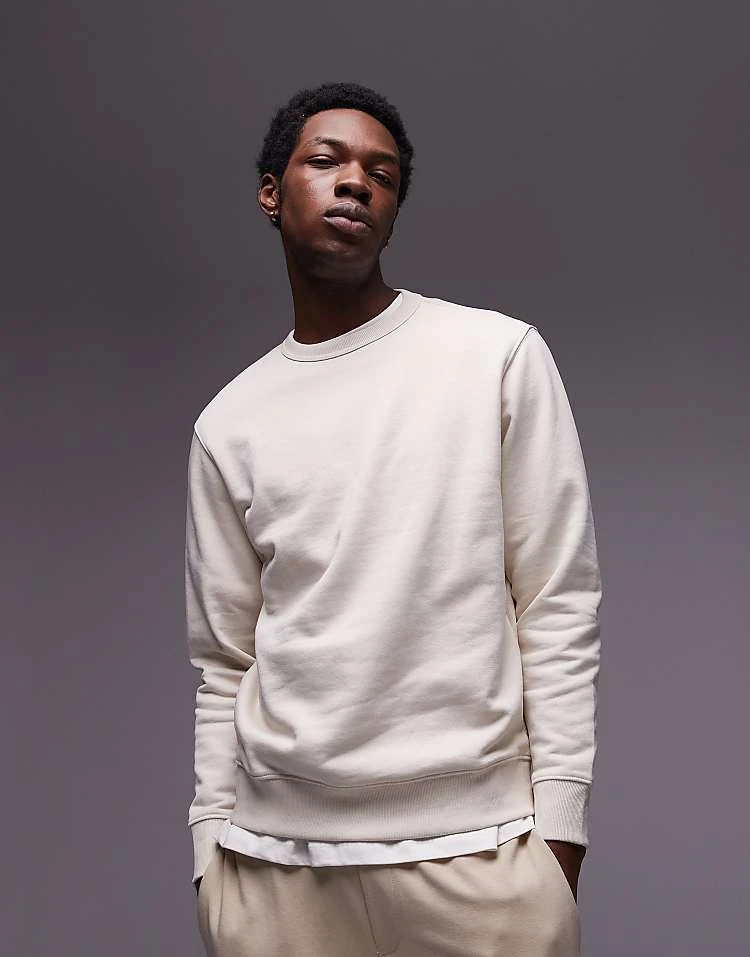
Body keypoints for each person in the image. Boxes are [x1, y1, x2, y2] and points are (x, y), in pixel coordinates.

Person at [184, 80, 602, 957]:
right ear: (271, 192)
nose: (355, 182)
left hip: (482, 857)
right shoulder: (229, 422)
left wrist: (560, 836)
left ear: (393, 212)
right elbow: (225, 660)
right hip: (273, 871)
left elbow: (557, 602)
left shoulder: (495, 356)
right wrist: (209, 853)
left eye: (382, 174)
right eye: (326, 160)